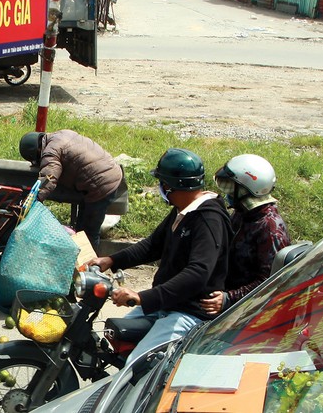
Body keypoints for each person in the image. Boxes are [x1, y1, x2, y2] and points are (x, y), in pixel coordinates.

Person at [89, 148, 232, 362]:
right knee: (115, 336)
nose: (161, 189)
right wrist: (111, 260)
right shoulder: (183, 210)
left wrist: (141, 297)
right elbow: (152, 245)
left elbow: (198, 273)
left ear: (170, 186)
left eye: (162, 183)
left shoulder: (208, 219)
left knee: (135, 364)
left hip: (188, 312)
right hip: (166, 304)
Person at [200, 154, 291, 315]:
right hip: (222, 295)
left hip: (246, 311)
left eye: (232, 187)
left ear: (246, 190)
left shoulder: (269, 229)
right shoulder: (244, 213)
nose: (227, 193)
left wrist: (229, 299)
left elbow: (269, 282)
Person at [18, 130, 125, 248]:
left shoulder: (50, 152)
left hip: (102, 185)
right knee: (81, 231)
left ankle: (91, 264)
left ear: (37, 151)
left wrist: (34, 199)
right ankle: (82, 262)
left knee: (88, 234)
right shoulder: (61, 134)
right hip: (108, 173)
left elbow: (49, 178)